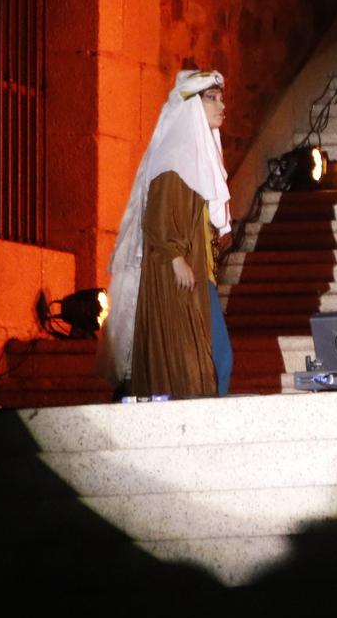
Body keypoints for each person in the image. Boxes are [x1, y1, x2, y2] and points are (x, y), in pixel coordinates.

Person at [98, 69, 235, 399]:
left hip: (200, 277)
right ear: (190, 106)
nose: (222, 106)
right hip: (180, 278)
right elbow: (157, 218)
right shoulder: (176, 159)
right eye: (212, 99)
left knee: (217, 359)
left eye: (221, 98)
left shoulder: (195, 159)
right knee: (201, 361)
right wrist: (175, 258)